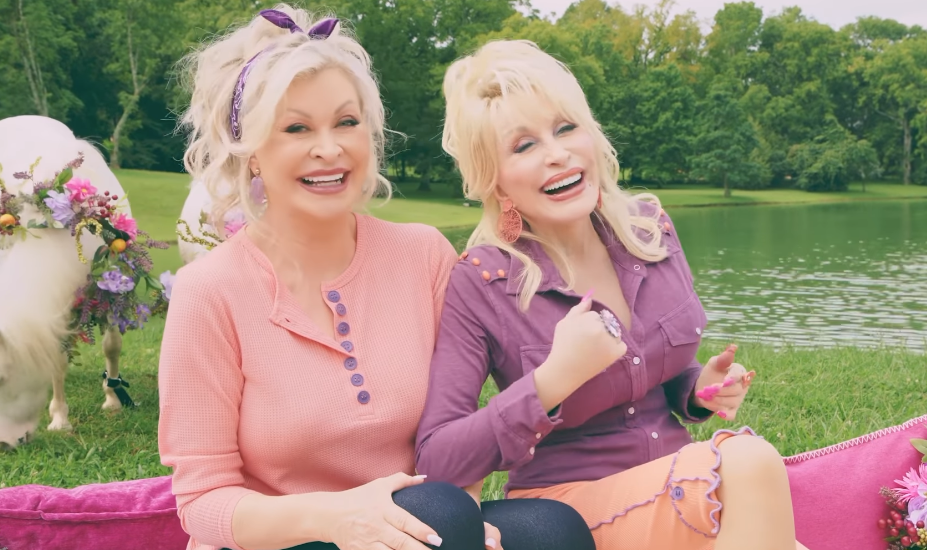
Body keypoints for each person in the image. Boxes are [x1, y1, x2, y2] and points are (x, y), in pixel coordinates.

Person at [159, 9, 594, 550]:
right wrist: (336, 519)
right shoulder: (210, 291)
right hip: (287, 538)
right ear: (249, 154)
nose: (330, 148)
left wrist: (470, 512)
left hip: (429, 523)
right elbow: (202, 502)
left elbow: (454, 433)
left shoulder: (423, 255)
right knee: (437, 512)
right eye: (297, 128)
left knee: (551, 530)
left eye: (346, 122)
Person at [415, 40, 805, 550]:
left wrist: (696, 389)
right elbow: (438, 458)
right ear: (496, 181)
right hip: (572, 507)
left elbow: (647, 378)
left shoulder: (650, 230)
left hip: (681, 484)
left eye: (565, 128)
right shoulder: (483, 280)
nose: (557, 154)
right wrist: (553, 379)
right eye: (523, 145)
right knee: (750, 462)